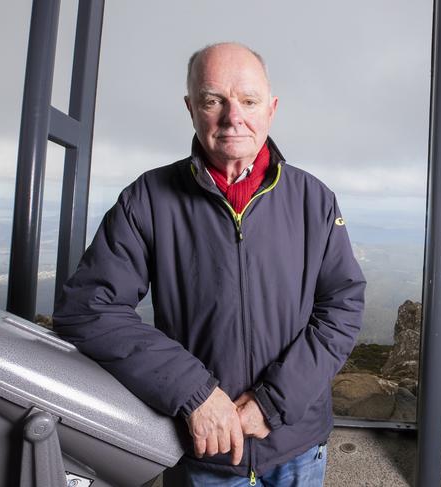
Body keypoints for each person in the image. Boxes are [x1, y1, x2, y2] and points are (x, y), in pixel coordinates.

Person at [53, 42, 366, 486]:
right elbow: (87, 308)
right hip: (201, 450)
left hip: (297, 446)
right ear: (191, 108)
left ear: (271, 109)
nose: (232, 116)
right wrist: (194, 393)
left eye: (249, 100)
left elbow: (342, 306)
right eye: (213, 100)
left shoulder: (313, 199)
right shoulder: (148, 198)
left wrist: (273, 403)